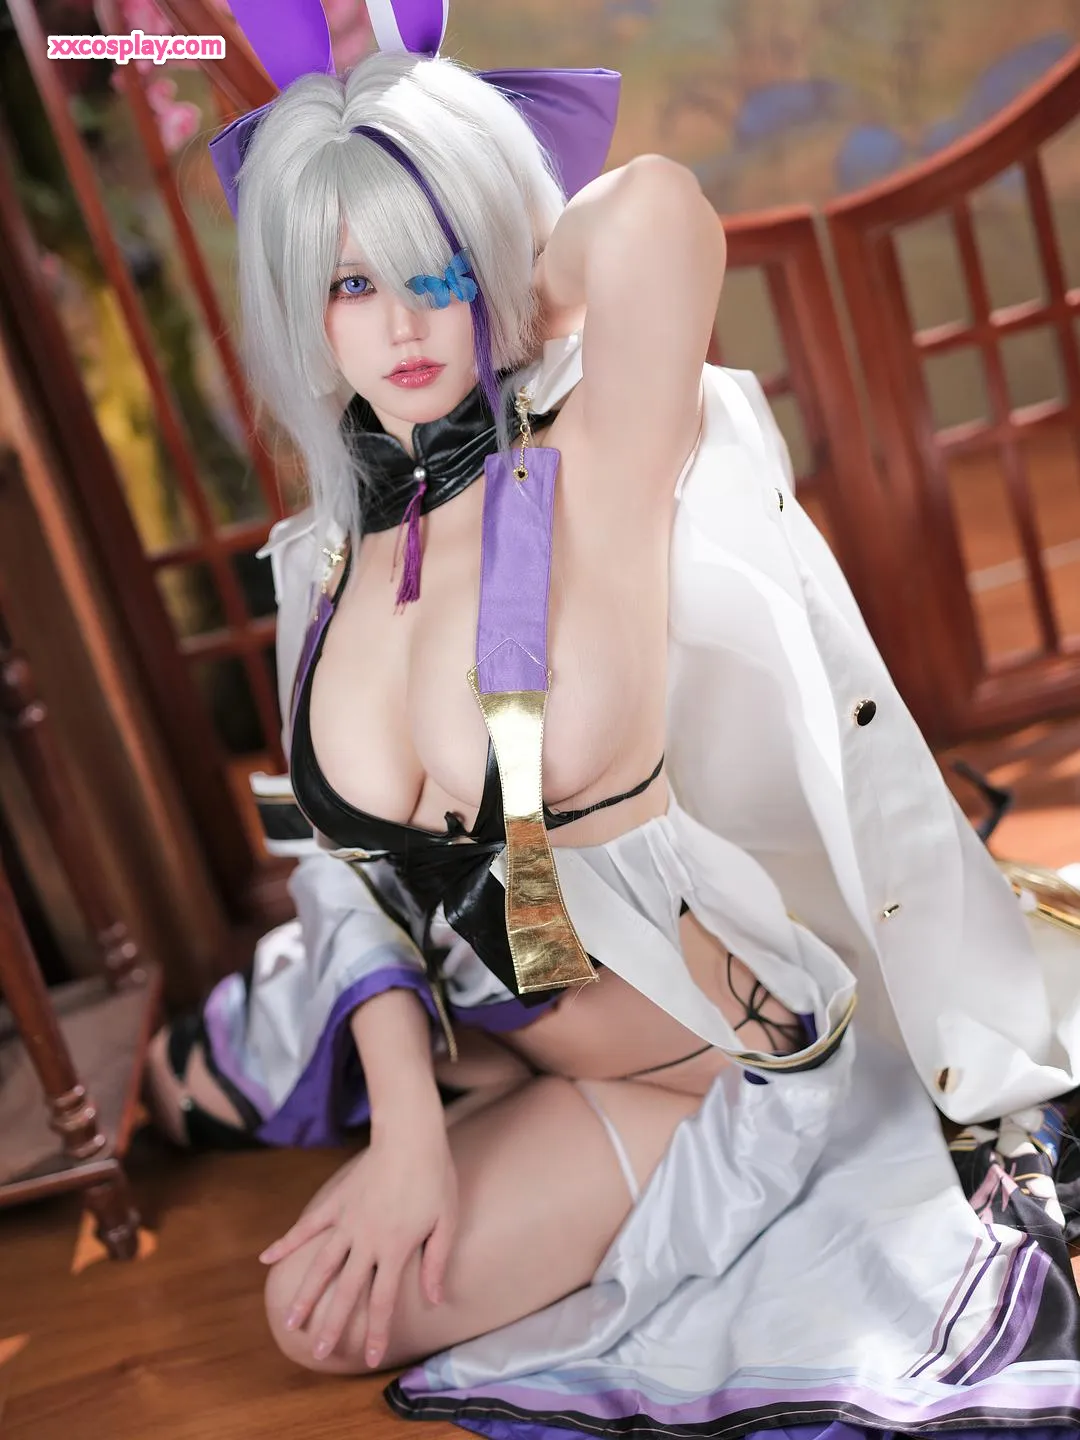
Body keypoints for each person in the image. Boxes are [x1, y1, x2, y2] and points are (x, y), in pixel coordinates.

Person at [145, 3, 1080, 1434]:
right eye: (349, 284)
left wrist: (453, 177)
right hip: (475, 1026)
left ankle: (440, 1106)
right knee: (198, 1096)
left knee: (320, 1318)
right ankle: (339, 1083)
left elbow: (652, 212)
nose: (403, 325)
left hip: (709, 1072)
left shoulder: (598, 452)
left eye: (436, 270)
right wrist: (409, 1135)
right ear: (301, 314)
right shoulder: (320, 564)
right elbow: (346, 866)